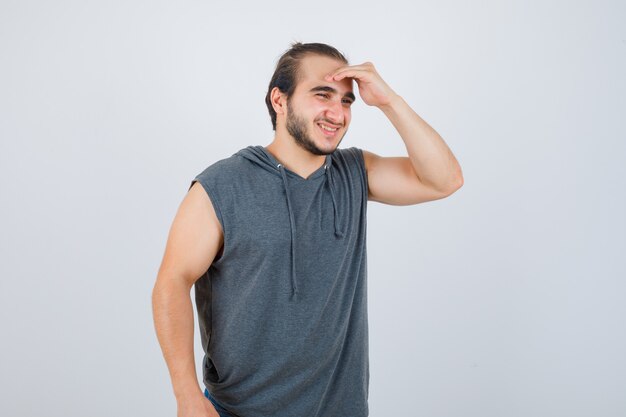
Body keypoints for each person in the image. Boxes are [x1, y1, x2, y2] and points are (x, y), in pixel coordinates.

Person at [152, 42, 463, 417]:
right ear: (279, 100)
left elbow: (444, 180)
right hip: (239, 410)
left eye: (347, 101)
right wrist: (187, 397)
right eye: (323, 95)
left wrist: (388, 101)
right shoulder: (223, 186)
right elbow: (172, 282)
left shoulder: (354, 173)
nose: (338, 113)